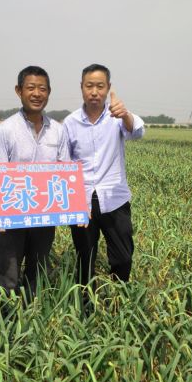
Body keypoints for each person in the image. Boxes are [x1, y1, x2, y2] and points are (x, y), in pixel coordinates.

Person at [0, 65, 70, 302]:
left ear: (49, 92)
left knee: (37, 272)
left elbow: (65, 172)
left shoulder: (58, 130)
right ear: (19, 91)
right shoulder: (5, 130)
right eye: (31, 88)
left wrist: (74, 210)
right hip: (12, 213)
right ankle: (4, 326)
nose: (37, 93)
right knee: (8, 275)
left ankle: (31, 324)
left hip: (43, 215)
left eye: (42, 89)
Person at [63, 63, 145, 289]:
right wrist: (73, 202)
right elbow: (65, 164)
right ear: (82, 88)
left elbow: (137, 132)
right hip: (82, 200)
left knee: (123, 257)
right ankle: (86, 304)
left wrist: (125, 114)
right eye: (89, 86)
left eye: (100, 86)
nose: (94, 91)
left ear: (108, 87)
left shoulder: (117, 115)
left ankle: (119, 299)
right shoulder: (70, 122)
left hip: (114, 199)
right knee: (84, 258)